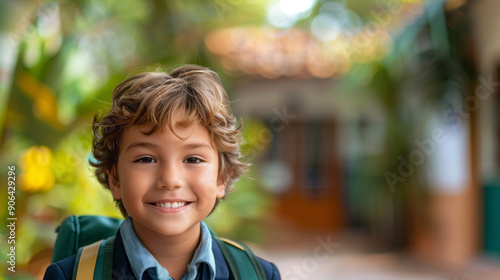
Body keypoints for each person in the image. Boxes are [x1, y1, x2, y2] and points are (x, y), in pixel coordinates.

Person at [43, 65, 281, 280]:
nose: (170, 179)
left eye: (193, 159)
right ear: (115, 178)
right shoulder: (70, 275)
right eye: (146, 159)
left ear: (222, 178)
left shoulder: (258, 274)